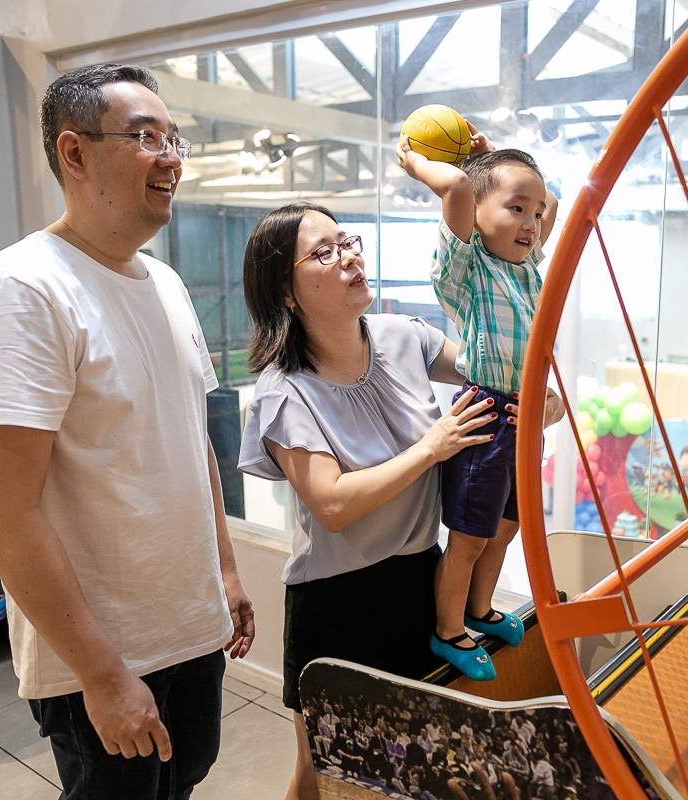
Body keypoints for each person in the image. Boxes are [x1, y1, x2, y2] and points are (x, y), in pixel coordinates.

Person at [0, 64, 255, 798]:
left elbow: (190, 440)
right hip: (105, 656)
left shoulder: (163, 281)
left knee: (185, 780)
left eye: (174, 138)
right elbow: (1, 511)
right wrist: (103, 676)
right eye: (145, 137)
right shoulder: (17, 295)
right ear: (73, 154)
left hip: (188, 626)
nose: (170, 156)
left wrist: (225, 571)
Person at [237, 202, 506, 800]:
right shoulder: (284, 392)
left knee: (409, 766)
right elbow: (331, 504)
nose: (350, 256)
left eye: (347, 241)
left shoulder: (403, 334)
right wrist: (433, 447)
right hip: (336, 603)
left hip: (420, 579)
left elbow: (495, 370)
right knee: (323, 776)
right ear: (286, 291)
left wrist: (488, 201)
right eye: (324, 252)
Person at [398, 124, 560, 681]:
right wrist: (425, 165)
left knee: (508, 526)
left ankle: (479, 609)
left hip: (524, 418)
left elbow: (551, 201)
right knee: (468, 537)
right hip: (486, 417)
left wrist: (500, 164)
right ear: (478, 213)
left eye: (534, 215)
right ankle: (448, 632)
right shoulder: (468, 271)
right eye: (516, 208)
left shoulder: (529, 271)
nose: (532, 222)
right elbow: (461, 194)